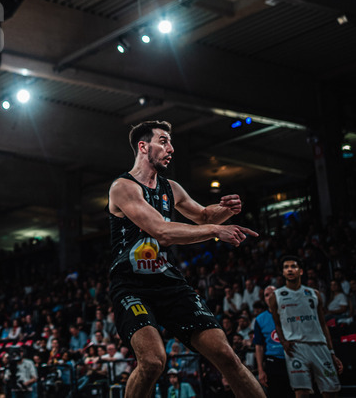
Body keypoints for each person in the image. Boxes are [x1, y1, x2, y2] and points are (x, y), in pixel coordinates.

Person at [107, 120, 265, 398]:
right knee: (153, 361)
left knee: (226, 354)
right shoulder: (123, 187)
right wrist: (216, 230)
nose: (171, 148)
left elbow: (203, 215)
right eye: (164, 141)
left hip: (167, 281)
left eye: (170, 142)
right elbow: (162, 231)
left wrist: (225, 211)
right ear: (144, 147)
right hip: (131, 285)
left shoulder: (172, 188)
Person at [268, 255, 342, 398]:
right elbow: (277, 323)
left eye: (293, 266)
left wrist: (331, 351)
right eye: (286, 267)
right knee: (301, 393)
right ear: (283, 273)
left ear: (300, 271)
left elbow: (322, 324)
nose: (290, 270)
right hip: (296, 348)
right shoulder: (276, 296)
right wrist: (283, 342)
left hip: (319, 346)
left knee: (331, 392)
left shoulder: (314, 294)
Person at [252, 288, 292, 398]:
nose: (270, 297)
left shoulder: (290, 313)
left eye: (273, 294)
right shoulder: (260, 319)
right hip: (273, 362)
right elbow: (258, 346)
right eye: (266, 295)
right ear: (264, 299)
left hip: (293, 358)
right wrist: (260, 370)